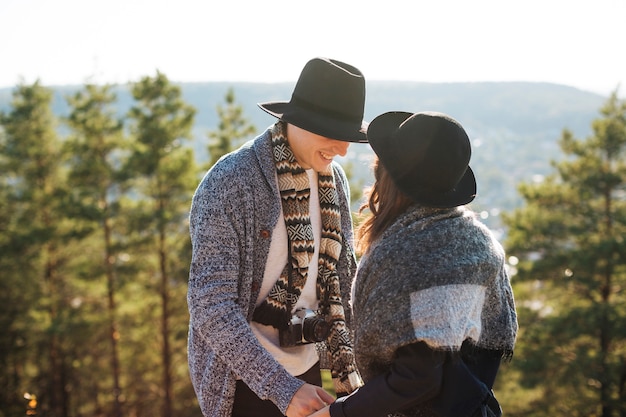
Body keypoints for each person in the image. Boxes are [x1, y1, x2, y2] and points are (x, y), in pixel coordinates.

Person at [187, 57, 366, 417]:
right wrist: (281, 389)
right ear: (301, 121)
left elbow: (343, 282)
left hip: (306, 367)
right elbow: (210, 305)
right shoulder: (232, 181)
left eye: (347, 137)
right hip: (243, 382)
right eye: (334, 134)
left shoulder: (334, 181)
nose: (343, 150)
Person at [311, 111, 518, 417]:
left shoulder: (408, 257)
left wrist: (337, 413)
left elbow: (418, 377)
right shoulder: (481, 243)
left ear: (388, 178)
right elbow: (483, 351)